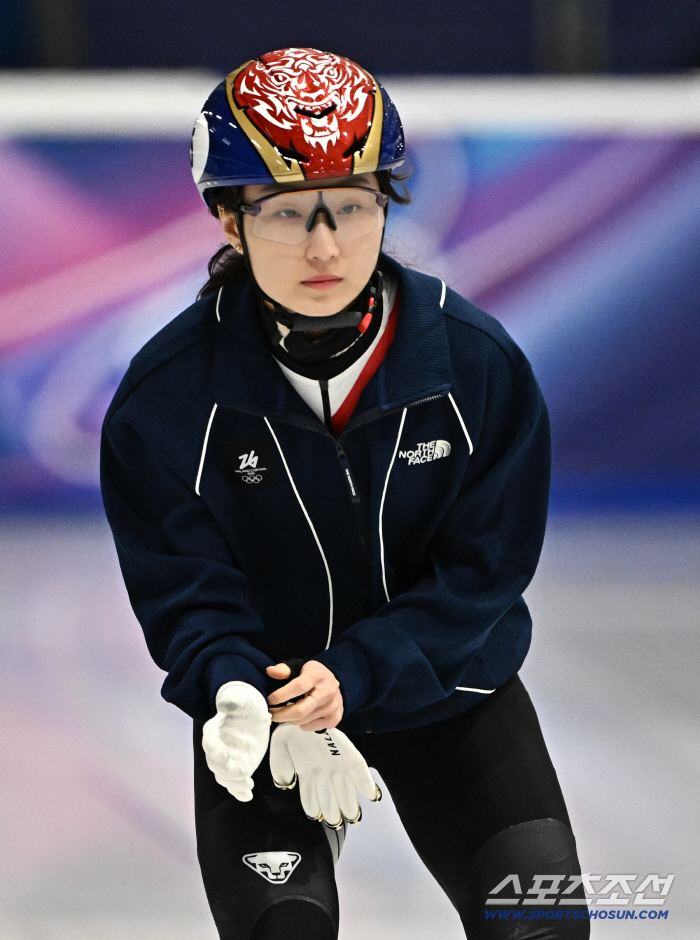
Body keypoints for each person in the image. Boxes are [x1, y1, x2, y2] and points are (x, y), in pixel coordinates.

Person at [101, 47, 590, 940]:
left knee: (542, 927)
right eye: (288, 213)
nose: (325, 246)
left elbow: (481, 575)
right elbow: (187, 590)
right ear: (228, 219)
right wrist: (234, 686)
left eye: (353, 207)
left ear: (387, 205)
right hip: (269, 709)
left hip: (450, 694)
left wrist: (357, 672)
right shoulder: (166, 400)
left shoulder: (477, 366)